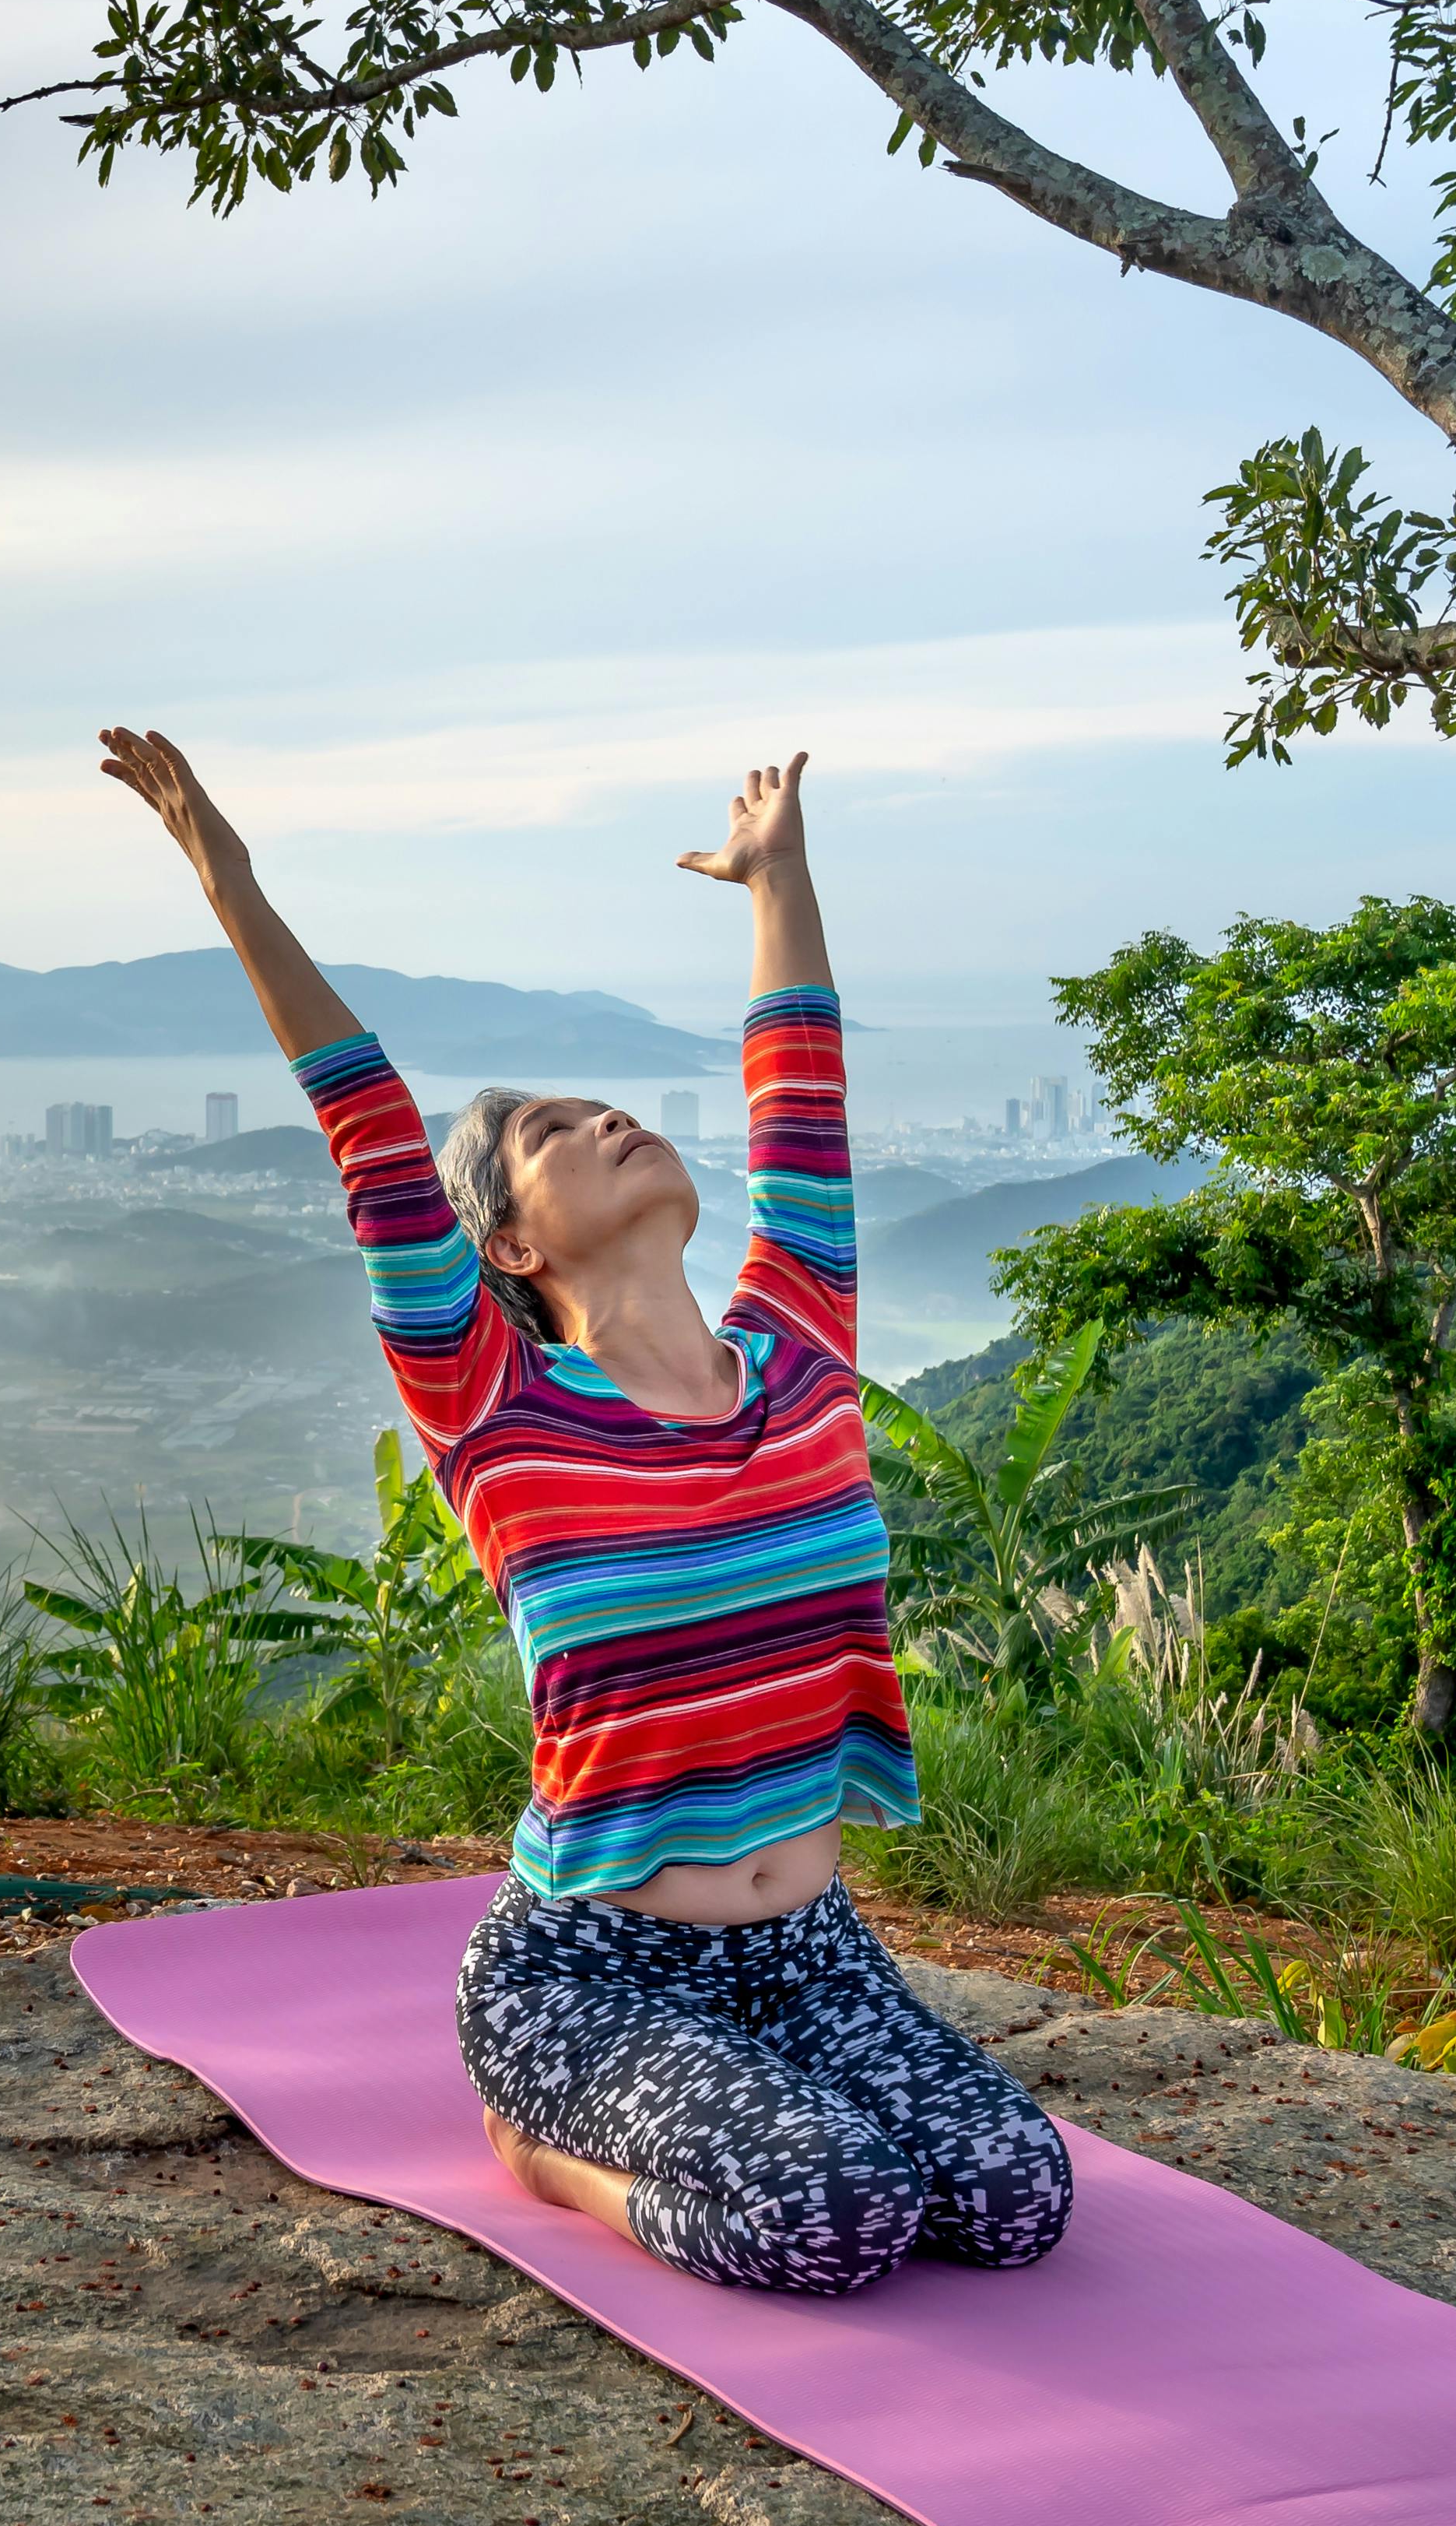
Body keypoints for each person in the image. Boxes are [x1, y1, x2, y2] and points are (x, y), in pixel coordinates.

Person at [99, 727, 1072, 2300]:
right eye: (554, 1132)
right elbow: (368, 1138)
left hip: (809, 1953)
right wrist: (226, 870)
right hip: (593, 1975)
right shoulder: (498, 1405)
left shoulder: (797, 1343)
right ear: (508, 1249)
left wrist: (780, 880)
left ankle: (761, 2103)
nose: (607, 1121)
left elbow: (800, 1091)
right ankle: (537, 2148)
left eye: (610, 1107)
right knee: (834, 2221)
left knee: (1015, 2202)